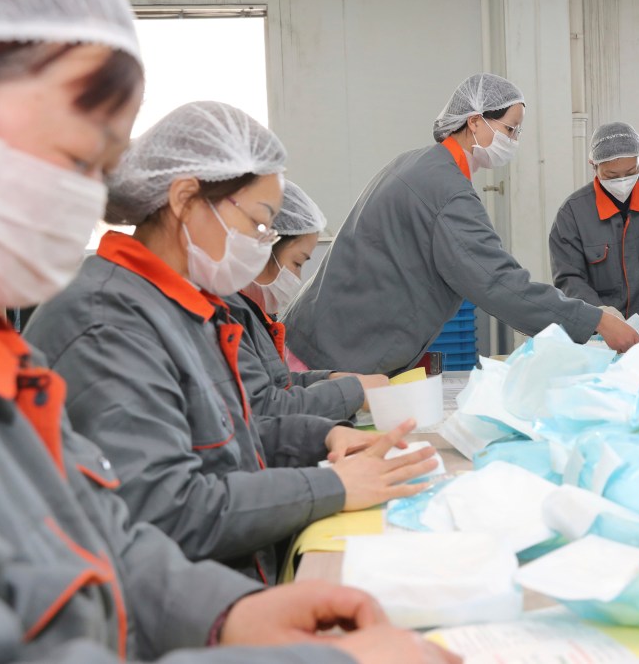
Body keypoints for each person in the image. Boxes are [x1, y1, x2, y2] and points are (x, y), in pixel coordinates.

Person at [0, 0, 458, 663]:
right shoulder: (102, 321)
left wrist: (228, 615)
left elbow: (101, 534)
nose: (82, 196)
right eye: (70, 158)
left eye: (99, 169)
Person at [24, 101, 439, 582]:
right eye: (258, 224)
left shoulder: (181, 306)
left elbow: (225, 436)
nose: (262, 242)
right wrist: (330, 485)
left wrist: (321, 437)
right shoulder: (107, 323)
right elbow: (166, 508)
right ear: (184, 199)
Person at [283, 73, 639, 375]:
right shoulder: (447, 190)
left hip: (315, 335)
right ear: (474, 121)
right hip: (331, 357)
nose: (513, 141)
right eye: (510, 129)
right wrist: (595, 320)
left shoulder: (416, 163)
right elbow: (498, 282)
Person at [227, 180, 389, 439]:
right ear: (261, 247)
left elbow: (275, 383)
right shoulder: (227, 318)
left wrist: (330, 377)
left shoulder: (252, 315)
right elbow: (266, 409)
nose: (296, 278)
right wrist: (354, 391)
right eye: (297, 262)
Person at [549, 122, 639, 334]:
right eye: (611, 175)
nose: (622, 181)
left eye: (631, 171)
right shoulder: (572, 214)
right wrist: (601, 313)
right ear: (594, 165)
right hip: (601, 335)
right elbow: (568, 277)